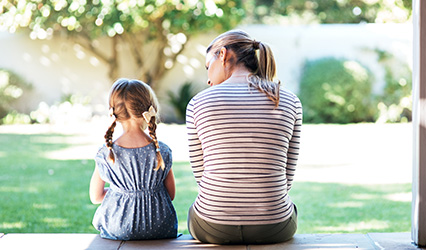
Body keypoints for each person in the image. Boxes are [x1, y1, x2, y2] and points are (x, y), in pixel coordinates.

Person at [186, 30, 302, 244]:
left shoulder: (198, 103)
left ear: (222, 55)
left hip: (212, 226)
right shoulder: (289, 100)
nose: (208, 79)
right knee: (289, 208)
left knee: (196, 210)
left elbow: (201, 176)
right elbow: (287, 176)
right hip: (274, 226)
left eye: (207, 67)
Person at [89, 78, 178, 240]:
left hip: (119, 227)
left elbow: (95, 197)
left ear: (114, 112)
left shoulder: (106, 153)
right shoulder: (162, 150)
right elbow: (170, 194)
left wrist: (121, 192)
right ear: (150, 109)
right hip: (160, 226)